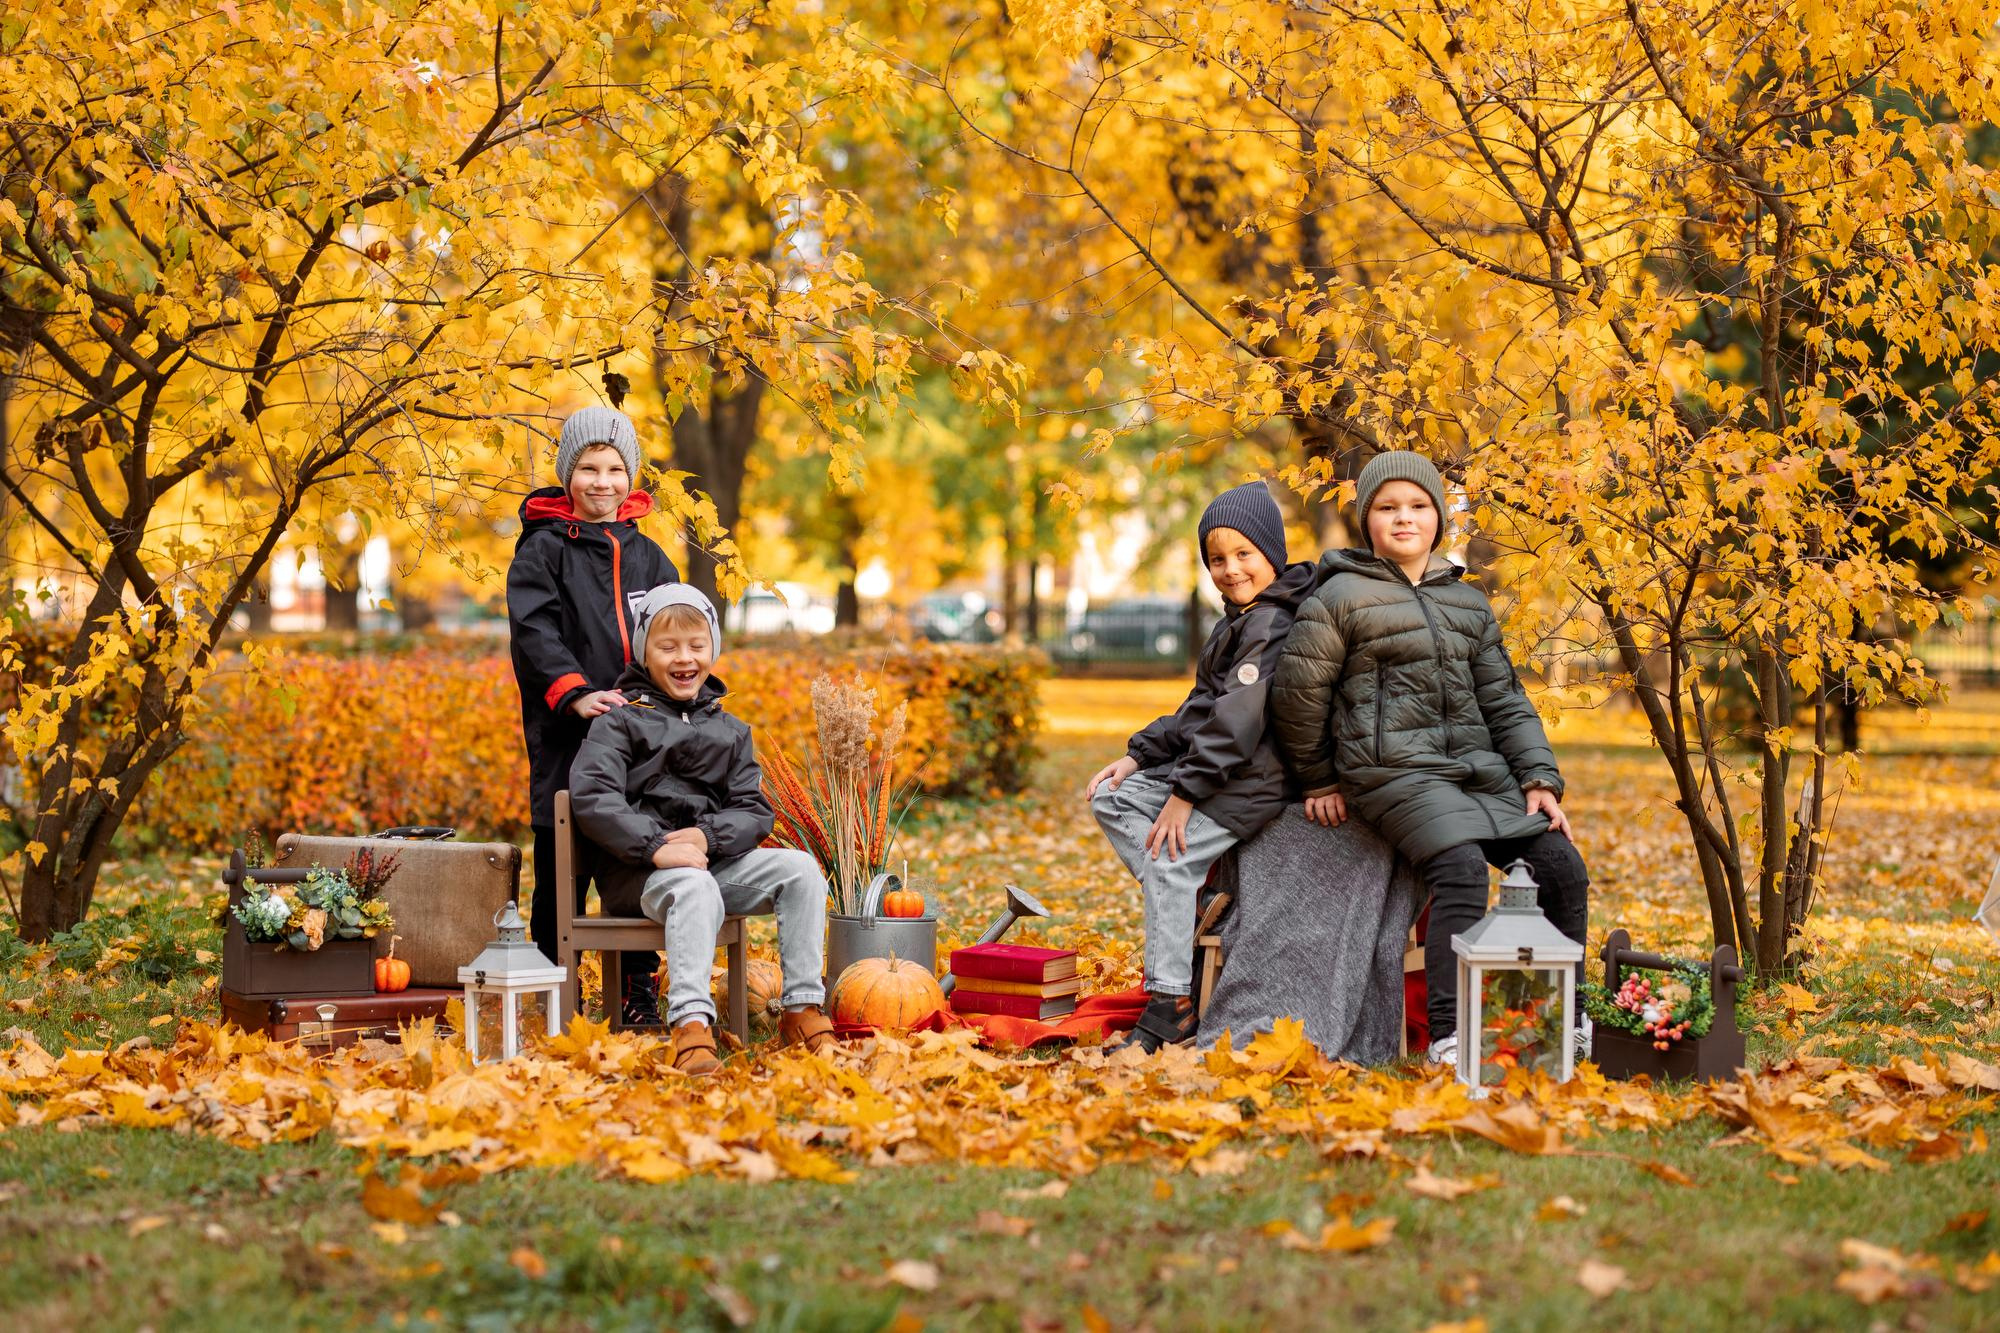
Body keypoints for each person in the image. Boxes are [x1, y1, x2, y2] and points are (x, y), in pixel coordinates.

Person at [1269, 451, 1590, 1069]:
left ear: (1440, 517)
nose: (1404, 518)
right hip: (1392, 771)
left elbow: (1505, 699)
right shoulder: (1340, 595)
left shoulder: (1466, 602)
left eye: (1418, 506)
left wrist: (1538, 778)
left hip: (1478, 772)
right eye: (1388, 508)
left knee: (1560, 866)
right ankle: (1450, 1034)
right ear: (1367, 519)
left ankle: (1566, 1019)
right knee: (1463, 868)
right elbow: (1299, 695)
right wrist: (1317, 779)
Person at [1086, 481, 1317, 1052]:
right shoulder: (1238, 621)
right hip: (1213, 773)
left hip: (1249, 783)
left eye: (1244, 554)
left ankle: (1169, 1005)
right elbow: (1197, 712)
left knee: (1167, 862)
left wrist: (1183, 797)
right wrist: (1137, 754)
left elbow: (1236, 725)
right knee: (1110, 796)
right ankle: (1191, 895)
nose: (1230, 569)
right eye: (1217, 558)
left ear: (1271, 553)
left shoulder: (1273, 626)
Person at [568, 585, 833, 1075]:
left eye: (696, 645)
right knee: (692, 885)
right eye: (668, 647)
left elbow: (752, 809)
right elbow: (593, 797)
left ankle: (800, 1008)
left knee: (800, 870)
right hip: (640, 874)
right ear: (645, 653)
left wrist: (707, 838)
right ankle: (691, 1024)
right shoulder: (620, 721)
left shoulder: (730, 730)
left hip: (712, 865)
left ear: (713, 649)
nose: (684, 658)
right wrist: (654, 847)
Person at [506, 406, 678, 1026]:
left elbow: (673, 635)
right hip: (568, 735)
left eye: (613, 468)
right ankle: (553, 995)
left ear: (629, 476)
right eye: (587, 468)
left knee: (635, 858)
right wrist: (575, 692)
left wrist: (661, 702)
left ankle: (638, 992)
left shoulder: (652, 558)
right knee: (562, 864)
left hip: (639, 737)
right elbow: (535, 632)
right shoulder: (542, 551)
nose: (601, 482)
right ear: (567, 474)